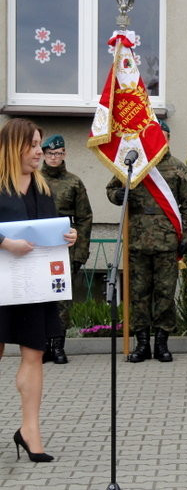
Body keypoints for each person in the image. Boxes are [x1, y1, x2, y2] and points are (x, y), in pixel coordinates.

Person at [0, 118, 77, 462]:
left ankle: (30, 431)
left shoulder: (43, 188)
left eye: (39, 145)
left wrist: (68, 236)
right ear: (13, 146)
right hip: (1, 285)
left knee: (34, 353)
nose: (39, 152)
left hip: (32, 288)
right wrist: (5, 242)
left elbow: (48, 231)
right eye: (32, 145)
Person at [106, 120, 187, 363]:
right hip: (137, 242)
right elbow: (111, 190)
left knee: (165, 294)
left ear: (168, 139)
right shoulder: (133, 164)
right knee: (139, 294)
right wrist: (120, 194)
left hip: (167, 243)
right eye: (156, 135)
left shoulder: (177, 168)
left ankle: (162, 344)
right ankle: (142, 344)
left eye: (163, 136)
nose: (159, 139)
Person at [40, 134, 93, 364]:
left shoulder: (74, 182)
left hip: (64, 249)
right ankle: (42, 345)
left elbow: (84, 218)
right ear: (43, 154)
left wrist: (80, 253)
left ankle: (58, 346)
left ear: (64, 155)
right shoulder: (33, 180)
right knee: (40, 298)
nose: (54, 157)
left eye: (58, 153)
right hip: (38, 248)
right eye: (50, 153)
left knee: (61, 297)